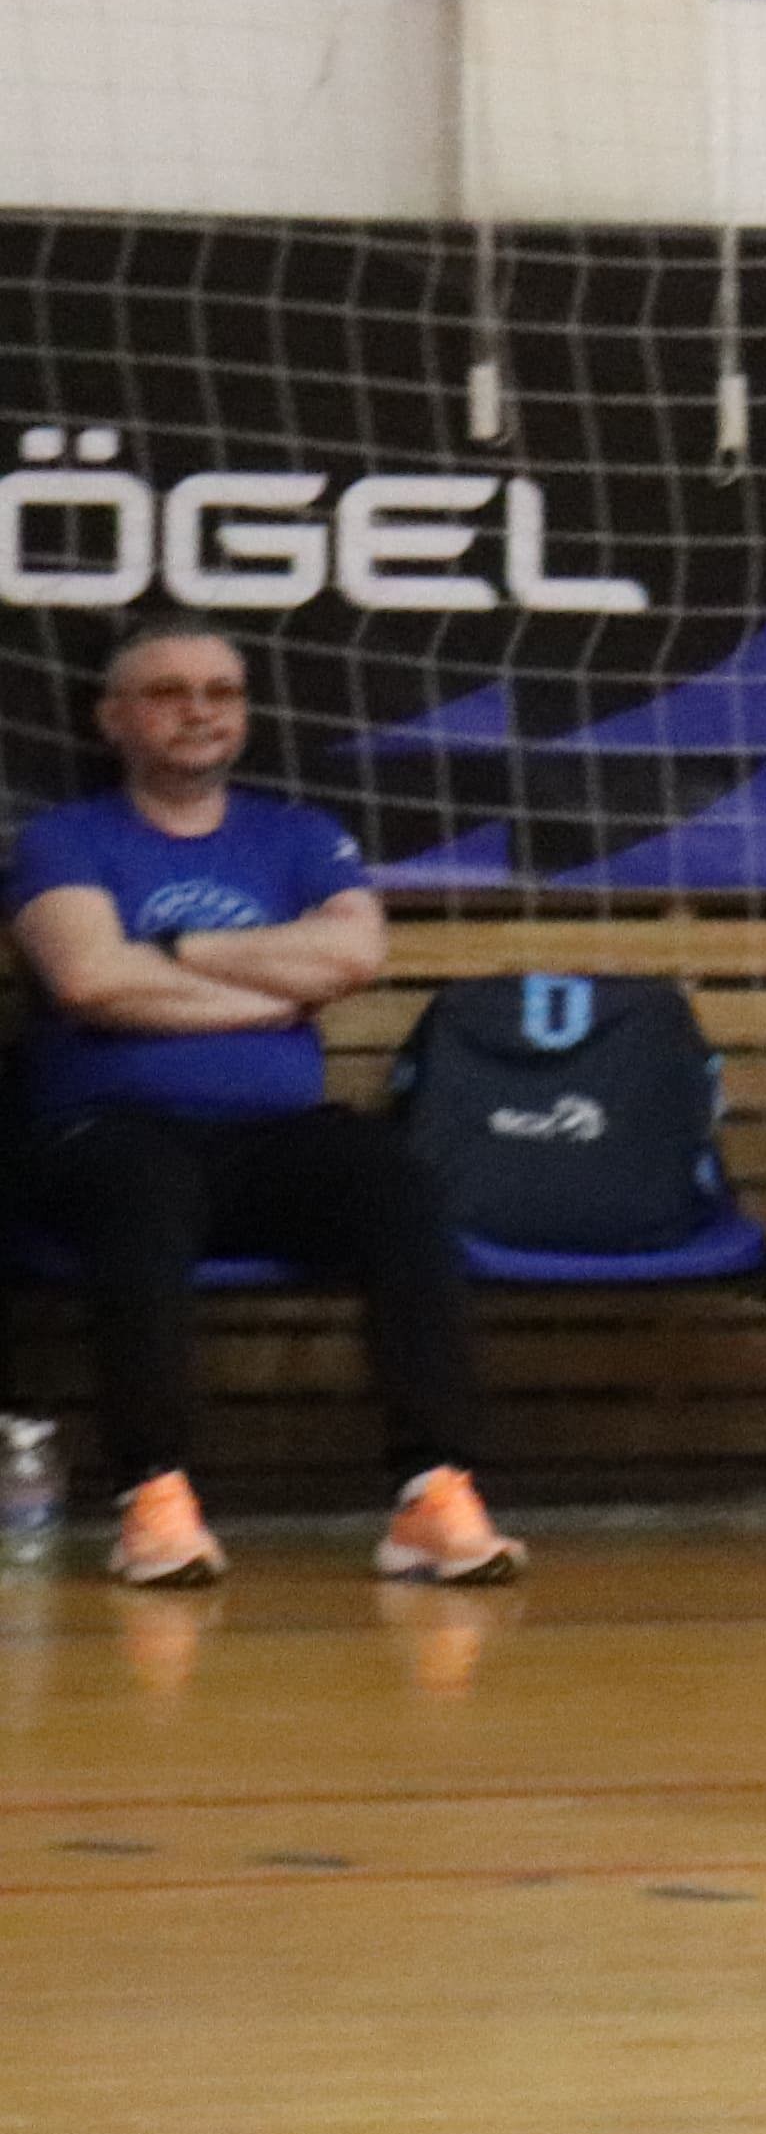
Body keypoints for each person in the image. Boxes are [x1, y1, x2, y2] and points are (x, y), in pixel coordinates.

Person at [7, 624, 514, 1590]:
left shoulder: (299, 836)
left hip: (275, 1141)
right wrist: (271, 992)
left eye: (221, 692)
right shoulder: (66, 839)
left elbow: (354, 956)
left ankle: (433, 1490)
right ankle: (154, 1496)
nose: (199, 711)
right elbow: (88, 980)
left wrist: (176, 952)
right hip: (109, 1135)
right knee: (140, 1194)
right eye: (169, 692)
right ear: (112, 718)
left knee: (396, 1183)